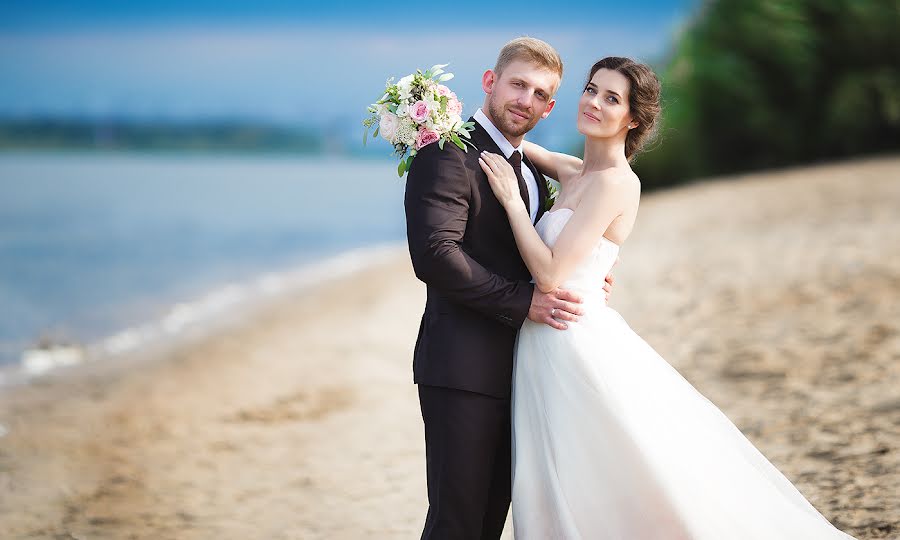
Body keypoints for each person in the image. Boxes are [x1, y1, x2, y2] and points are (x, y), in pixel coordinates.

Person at [478, 56, 856, 539]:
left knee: (615, 473)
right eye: (591, 89)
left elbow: (551, 275)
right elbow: (514, 144)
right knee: (569, 474)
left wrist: (512, 203)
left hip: (573, 342)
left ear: (633, 119)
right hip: (546, 341)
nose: (593, 102)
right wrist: (440, 118)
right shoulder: (576, 174)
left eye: (612, 98)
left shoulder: (617, 183)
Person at [404, 37, 614, 539]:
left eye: (541, 94)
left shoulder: (531, 172)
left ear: (550, 107)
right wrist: (526, 303)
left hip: (525, 371)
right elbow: (436, 255)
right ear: (490, 82)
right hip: (463, 368)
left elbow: (539, 253)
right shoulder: (447, 155)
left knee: (489, 522)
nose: (526, 100)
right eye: (518, 84)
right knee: (457, 522)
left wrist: (584, 276)